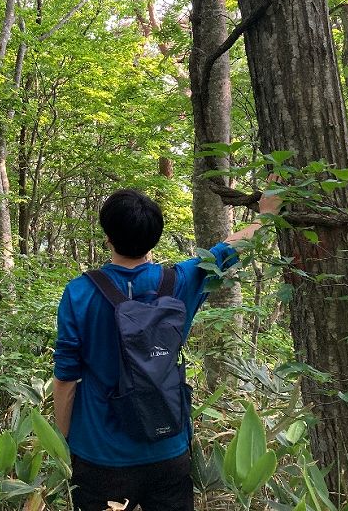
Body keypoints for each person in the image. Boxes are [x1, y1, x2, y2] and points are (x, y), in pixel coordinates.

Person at [53, 186, 281, 511]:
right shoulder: (180, 282)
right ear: (155, 236)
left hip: (99, 456)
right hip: (168, 448)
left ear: (107, 235)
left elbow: (65, 378)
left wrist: (64, 440)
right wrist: (268, 215)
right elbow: (230, 248)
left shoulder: (79, 292)